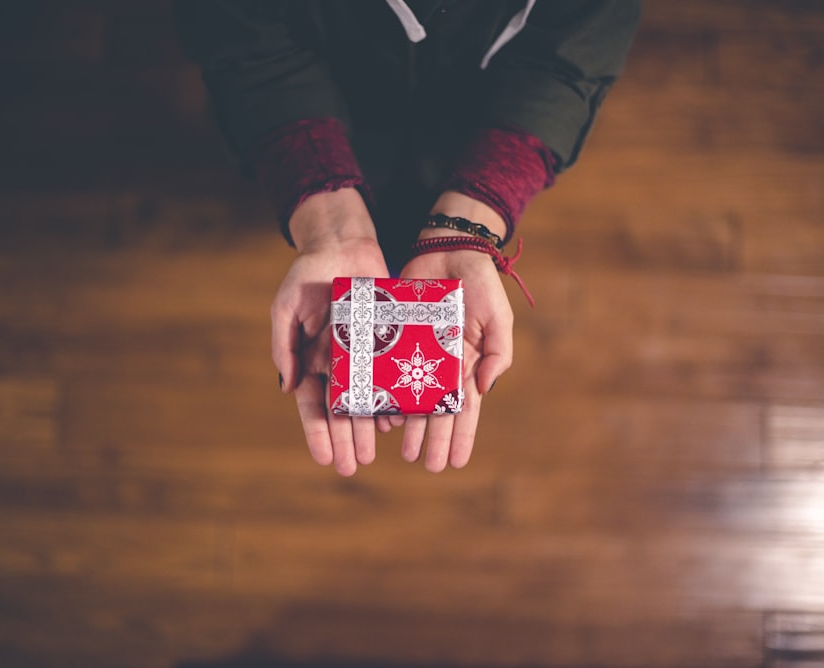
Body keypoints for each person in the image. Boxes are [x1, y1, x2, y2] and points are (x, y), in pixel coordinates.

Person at [174, 0, 641, 475]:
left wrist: (473, 213)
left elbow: (573, 55)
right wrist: (325, 214)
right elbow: (240, 37)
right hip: (319, 107)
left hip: (475, 125)